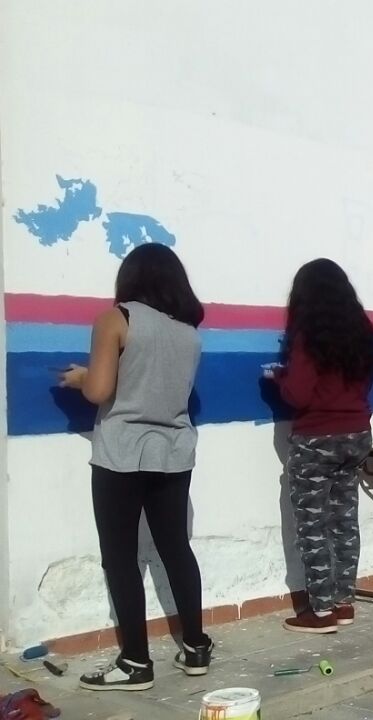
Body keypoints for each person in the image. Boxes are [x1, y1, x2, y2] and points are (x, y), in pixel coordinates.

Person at [58, 243, 213, 691]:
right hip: (174, 452)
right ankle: (197, 646)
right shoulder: (189, 333)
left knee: (121, 557)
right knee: (175, 548)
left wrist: (80, 377)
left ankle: (135, 663)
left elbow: (99, 390)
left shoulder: (116, 319)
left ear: (130, 278)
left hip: (122, 453)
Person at [271, 259, 373, 633]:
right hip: (357, 434)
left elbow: (298, 393)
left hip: (317, 438)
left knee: (313, 524)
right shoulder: (363, 331)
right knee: (345, 520)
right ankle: (344, 602)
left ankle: (319, 612)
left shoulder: (309, 335)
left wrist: (278, 379)